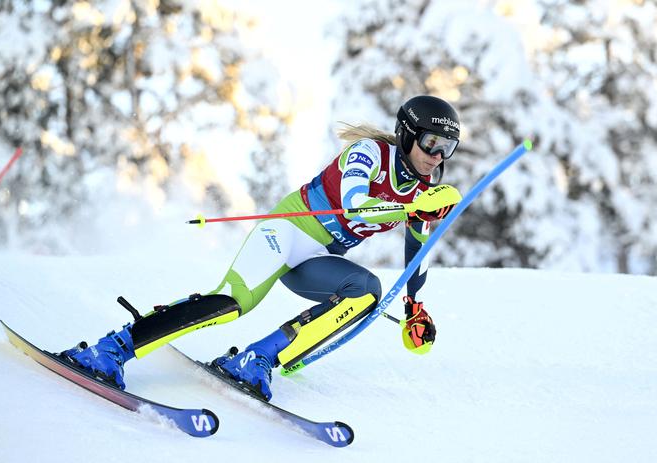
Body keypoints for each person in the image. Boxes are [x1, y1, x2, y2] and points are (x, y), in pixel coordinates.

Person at [59, 95, 463, 401]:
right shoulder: (372, 153)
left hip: (319, 258)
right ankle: (109, 350)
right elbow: (356, 202)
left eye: (448, 148)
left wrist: (415, 305)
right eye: (431, 143)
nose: (437, 156)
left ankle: (256, 361)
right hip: (287, 231)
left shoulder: (422, 191)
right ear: (408, 133)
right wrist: (411, 206)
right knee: (233, 302)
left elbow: (418, 247)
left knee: (366, 292)